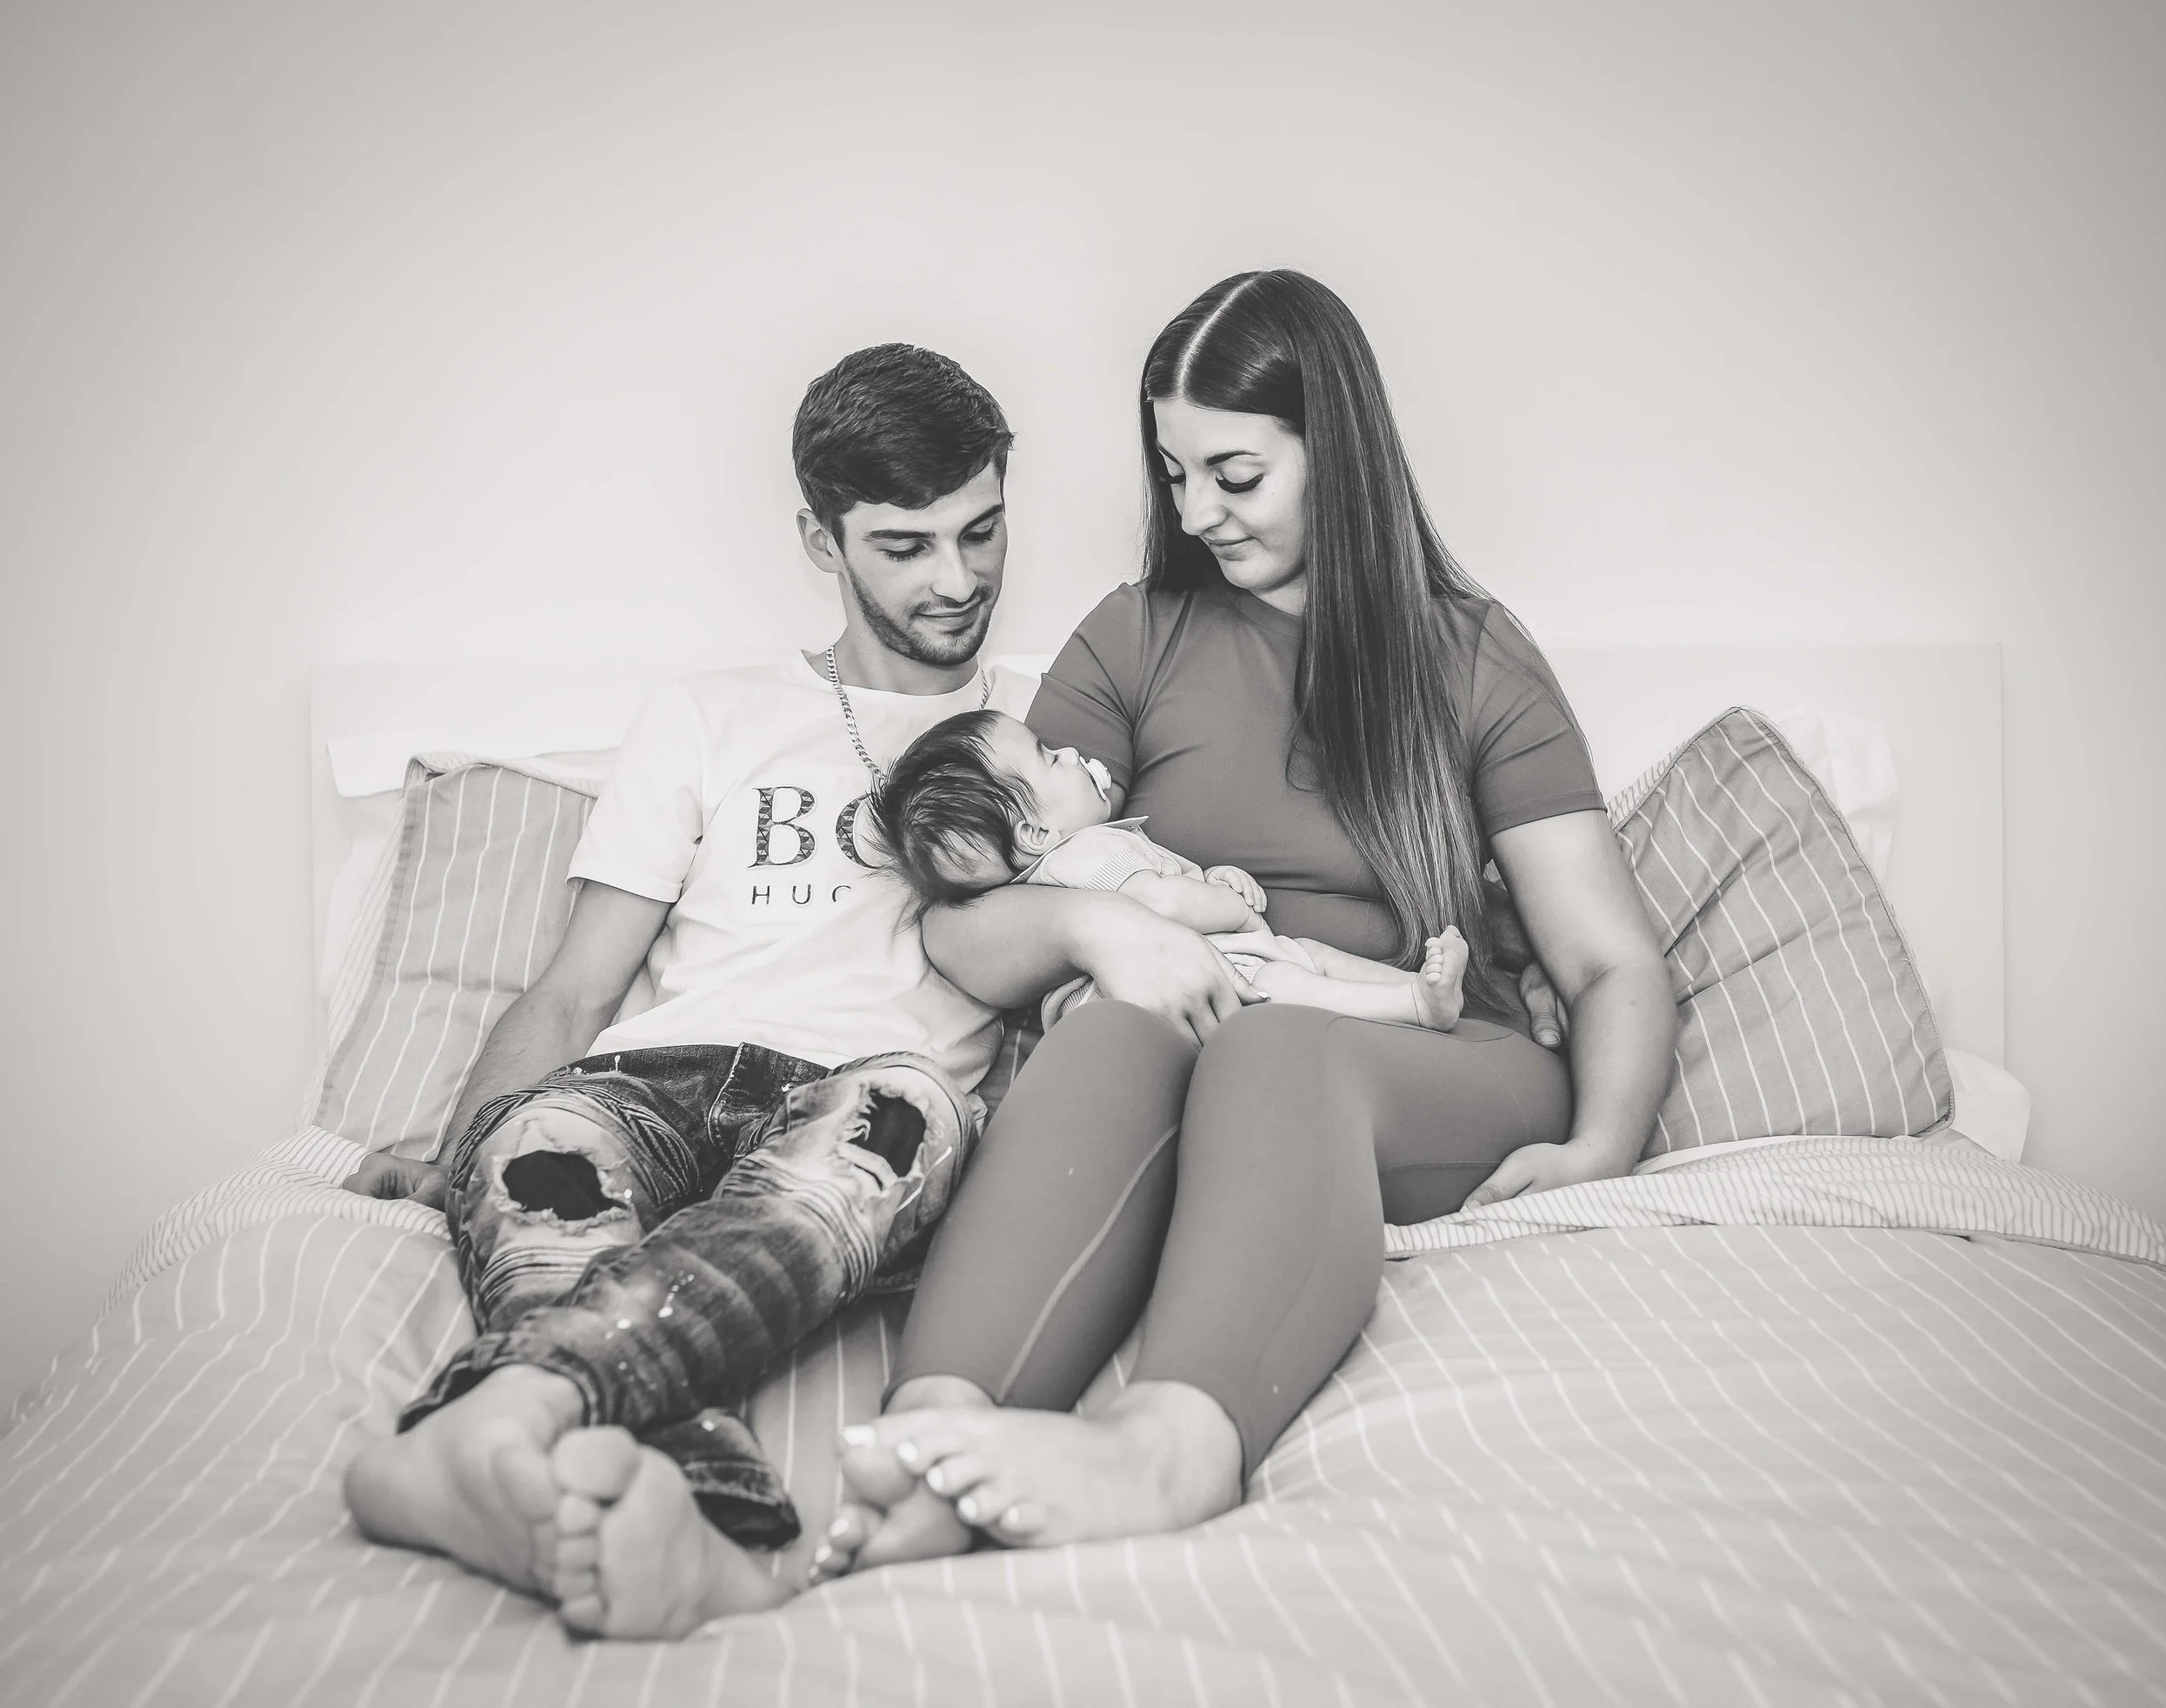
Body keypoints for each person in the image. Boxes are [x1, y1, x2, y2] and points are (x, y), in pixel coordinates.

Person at [815, 270, 1676, 1580]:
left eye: (1234, 474)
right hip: (1215, 1022)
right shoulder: (1138, 634)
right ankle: (936, 1434)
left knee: (1270, 1049)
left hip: (1430, 1060)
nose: (1195, 512)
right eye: (1173, 474)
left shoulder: (1472, 655)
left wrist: (1599, 1148)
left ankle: (1169, 1450)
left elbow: (1607, 959)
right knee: (1111, 1038)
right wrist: (1104, 936)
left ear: (1337, 453)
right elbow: (973, 922)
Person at [337, 343, 1050, 1638]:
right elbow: (573, 992)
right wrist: (467, 1138)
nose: (958, 580)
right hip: (649, 1084)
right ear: (819, 538)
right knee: (542, 1150)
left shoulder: (1057, 738)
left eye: (982, 531)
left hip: (869, 1102)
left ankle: (503, 1426)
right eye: (906, 546)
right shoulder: (712, 715)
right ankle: (683, 1503)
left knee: (894, 1117)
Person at [870, 708, 1472, 1032]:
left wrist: (1215, 880)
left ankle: (1415, 991)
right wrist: (1230, 905)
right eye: (1051, 758)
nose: (1075, 754)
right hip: (1215, 979)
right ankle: (1415, 1005)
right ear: (1035, 833)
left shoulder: (1073, 863)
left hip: (1218, 965)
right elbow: (1158, 908)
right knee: (1298, 981)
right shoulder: (1085, 854)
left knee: (1310, 960)